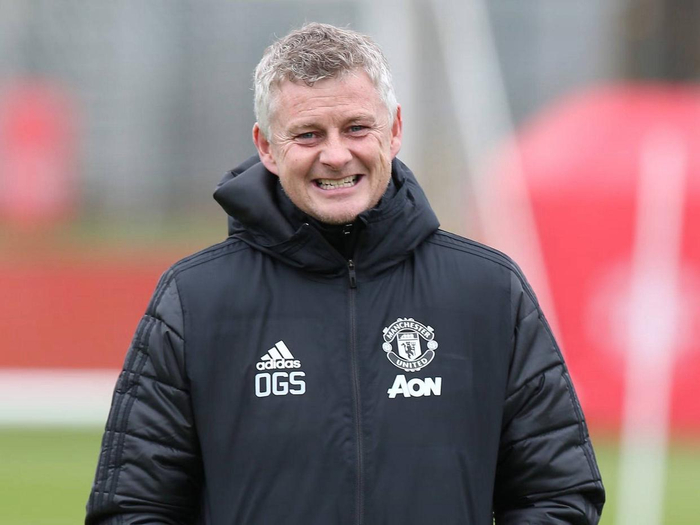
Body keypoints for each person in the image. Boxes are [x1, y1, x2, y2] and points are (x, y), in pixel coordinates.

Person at [86, 22, 605, 525]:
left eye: (356, 128)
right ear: (266, 147)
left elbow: (558, 495)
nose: (335, 156)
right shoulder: (195, 300)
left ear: (394, 130)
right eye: (307, 134)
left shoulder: (488, 291)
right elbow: (132, 507)